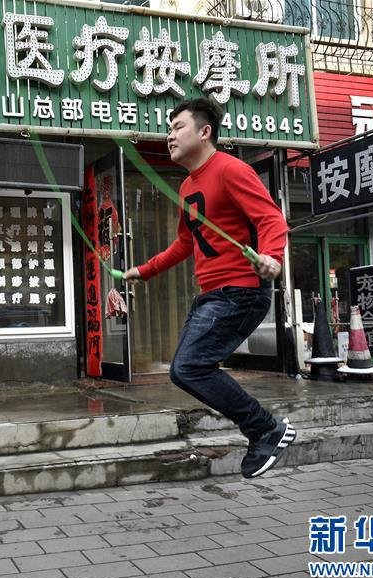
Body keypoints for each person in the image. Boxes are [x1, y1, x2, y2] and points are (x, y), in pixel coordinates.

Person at [123, 98, 296, 479]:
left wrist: (271, 256)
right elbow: (185, 244)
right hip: (213, 295)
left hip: (241, 291)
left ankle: (266, 429)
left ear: (205, 132)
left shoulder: (230, 169)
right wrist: (144, 271)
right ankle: (263, 429)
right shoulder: (187, 186)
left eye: (178, 127)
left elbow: (271, 218)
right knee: (185, 369)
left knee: (189, 366)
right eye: (168, 130)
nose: (169, 136)